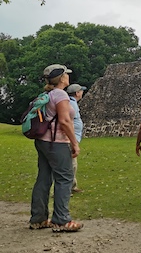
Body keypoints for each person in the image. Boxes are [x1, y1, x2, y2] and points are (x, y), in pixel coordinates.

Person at [29, 64, 83, 232]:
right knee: (65, 178)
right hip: (57, 142)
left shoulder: (47, 94)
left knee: (44, 178)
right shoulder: (60, 94)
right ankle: (61, 219)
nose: (68, 76)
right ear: (61, 78)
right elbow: (65, 121)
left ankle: (38, 218)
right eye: (66, 74)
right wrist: (74, 143)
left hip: (43, 141)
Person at [66, 83, 87, 194]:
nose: (82, 92)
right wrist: (73, 140)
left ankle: (72, 186)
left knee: (72, 163)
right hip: (71, 138)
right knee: (71, 164)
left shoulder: (72, 103)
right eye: (81, 91)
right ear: (77, 93)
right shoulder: (71, 104)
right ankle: (67, 188)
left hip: (73, 137)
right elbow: (69, 121)